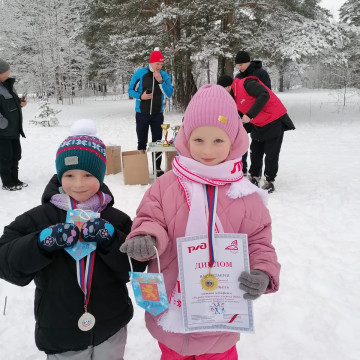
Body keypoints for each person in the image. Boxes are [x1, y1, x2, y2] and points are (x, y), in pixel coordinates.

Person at [120, 84, 281, 359]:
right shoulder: (166, 185)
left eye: (218, 140)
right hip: (171, 305)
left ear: (234, 141)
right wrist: (146, 236)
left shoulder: (244, 194)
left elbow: (258, 241)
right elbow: (150, 217)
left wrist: (263, 272)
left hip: (222, 317)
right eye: (199, 140)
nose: (208, 150)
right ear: (185, 138)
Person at [0, 119, 147, 359]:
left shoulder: (116, 219)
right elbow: (6, 261)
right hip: (60, 333)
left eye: (88, 174)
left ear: (101, 175)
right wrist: (40, 244)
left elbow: (136, 268)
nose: (78, 184)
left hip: (110, 329)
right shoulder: (40, 218)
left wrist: (112, 241)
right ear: (59, 175)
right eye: (69, 174)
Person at [232, 76, 295, 193]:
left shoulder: (247, 83)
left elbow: (264, 95)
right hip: (259, 123)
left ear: (227, 86)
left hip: (274, 120)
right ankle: (254, 176)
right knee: (255, 151)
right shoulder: (234, 95)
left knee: (271, 153)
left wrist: (250, 115)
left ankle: (269, 181)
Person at [128, 47, 174, 177]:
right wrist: (140, 96)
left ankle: (157, 168)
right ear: (151, 62)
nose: (159, 66)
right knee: (141, 141)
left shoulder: (164, 76)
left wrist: (160, 81)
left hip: (157, 114)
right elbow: (130, 90)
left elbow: (169, 93)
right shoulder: (140, 73)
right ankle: (140, 167)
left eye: (161, 64)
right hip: (142, 113)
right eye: (157, 63)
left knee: (157, 142)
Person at [0, 59, 28, 191]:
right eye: (6, 70)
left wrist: (20, 103)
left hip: (14, 129)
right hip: (3, 132)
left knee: (16, 155)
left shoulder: (9, 85)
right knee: (5, 157)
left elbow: (12, 104)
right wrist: (3, 124)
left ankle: (15, 179)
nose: (9, 72)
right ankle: (7, 182)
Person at [217, 74, 249, 176]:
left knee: (240, 145)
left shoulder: (237, 94)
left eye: (223, 87)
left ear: (228, 86)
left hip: (239, 123)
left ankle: (242, 168)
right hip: (226, 124)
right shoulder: (221, 95)